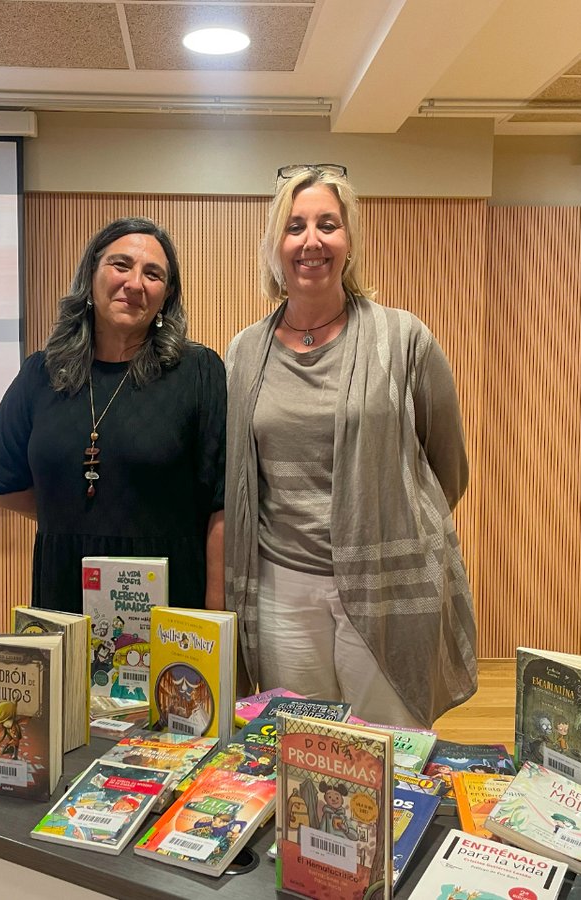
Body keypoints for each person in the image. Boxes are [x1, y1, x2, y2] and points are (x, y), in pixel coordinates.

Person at [224, 163, 477, 728]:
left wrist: (392, 526)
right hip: (282, 589)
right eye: (295, 227)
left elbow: (448, 467)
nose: (311, 241)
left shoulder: (405, 339)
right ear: (275, 246)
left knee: (391, 748)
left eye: (328, 224)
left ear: (349, 241)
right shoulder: (244, 352)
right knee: (302, 748)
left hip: (386, 584)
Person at [0, 217, 226, 612]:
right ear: (91, 276)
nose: (135, 283)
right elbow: (0, 483)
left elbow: (221, 503)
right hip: (65, 588)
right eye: (120, 265)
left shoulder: (198, 372)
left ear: (167, 296)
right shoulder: (41, 374)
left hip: (171, 596)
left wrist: (217, 613)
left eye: (153, 274)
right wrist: (73, 516)